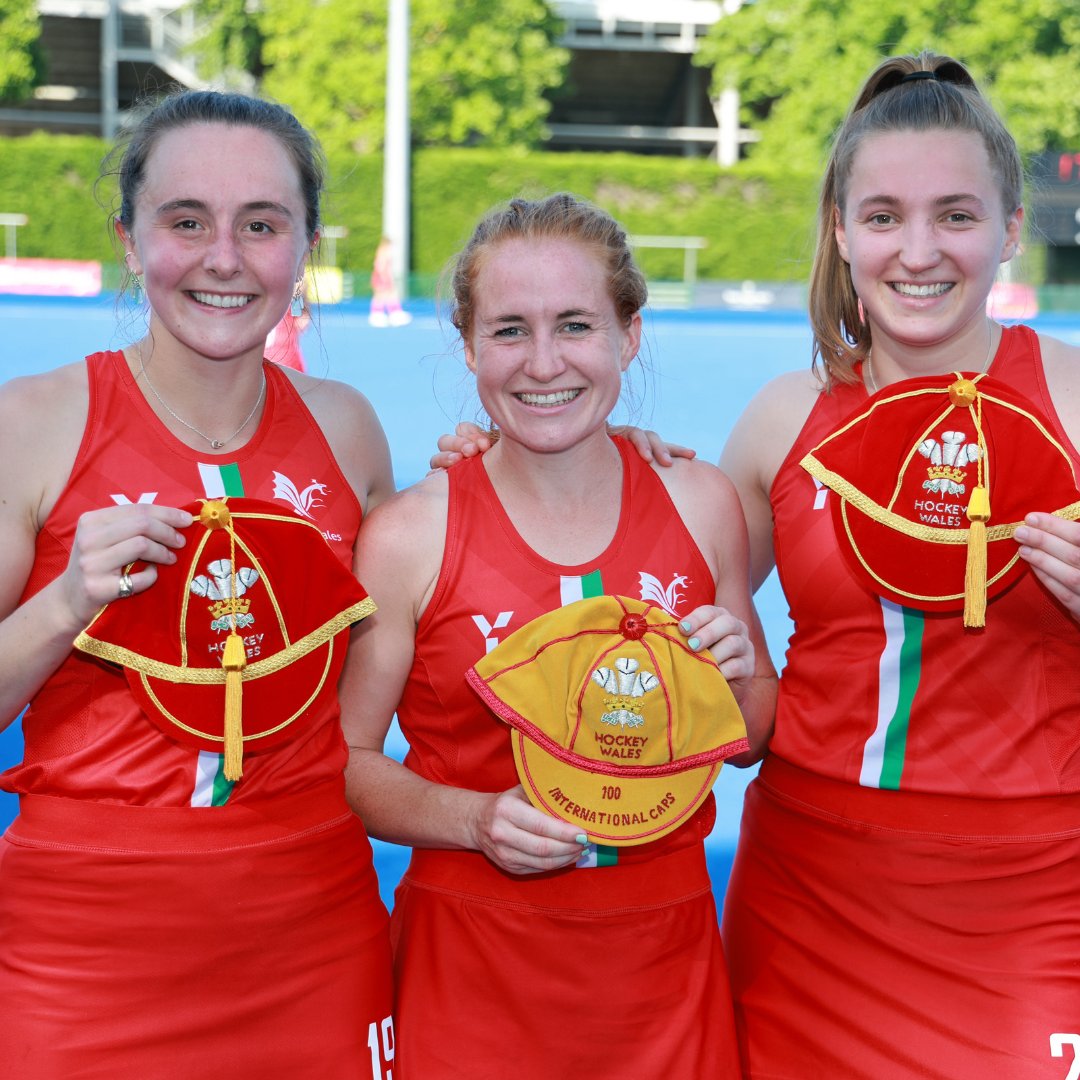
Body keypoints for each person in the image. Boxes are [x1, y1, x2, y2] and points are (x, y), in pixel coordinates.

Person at [436, 52, 1080, 1080]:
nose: (918, 251)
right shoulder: (785, 418)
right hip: (813, 895)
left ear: (1010, 227)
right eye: (881, 217)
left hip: (1035, 899)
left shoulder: (1075, 400)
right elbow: (664, 573)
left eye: (956, 215)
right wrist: (523, 459)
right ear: (838, 228)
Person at [0, 90, 396, 1077]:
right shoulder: (33, 423)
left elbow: (426, 622)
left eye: (261, 225)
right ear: (131, 240)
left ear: (303, 247)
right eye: (187, 222)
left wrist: (587, 455)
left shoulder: (348, 429)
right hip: (84, 952)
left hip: (313, 933)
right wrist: (64, 604)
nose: (224, 257)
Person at [343, 193, 777, 1078]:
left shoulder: (701, 504)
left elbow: (755, 730)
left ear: (629, 336)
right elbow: (343, 760)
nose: (544, 362)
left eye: (576, 324)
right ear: (468, 346)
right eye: (509, 330)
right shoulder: (409, 534)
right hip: (470, 970)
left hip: (665, 968)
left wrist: (736, 685)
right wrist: (471, 820)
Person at [369, 235, 412, 327]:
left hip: (383, 276)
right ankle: (381, 314)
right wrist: (384, 277)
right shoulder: (383, 251)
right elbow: (380, 265)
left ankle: (388, 313)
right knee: (383, 295)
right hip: (382, 277)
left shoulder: (382, 251)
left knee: (386, 295)